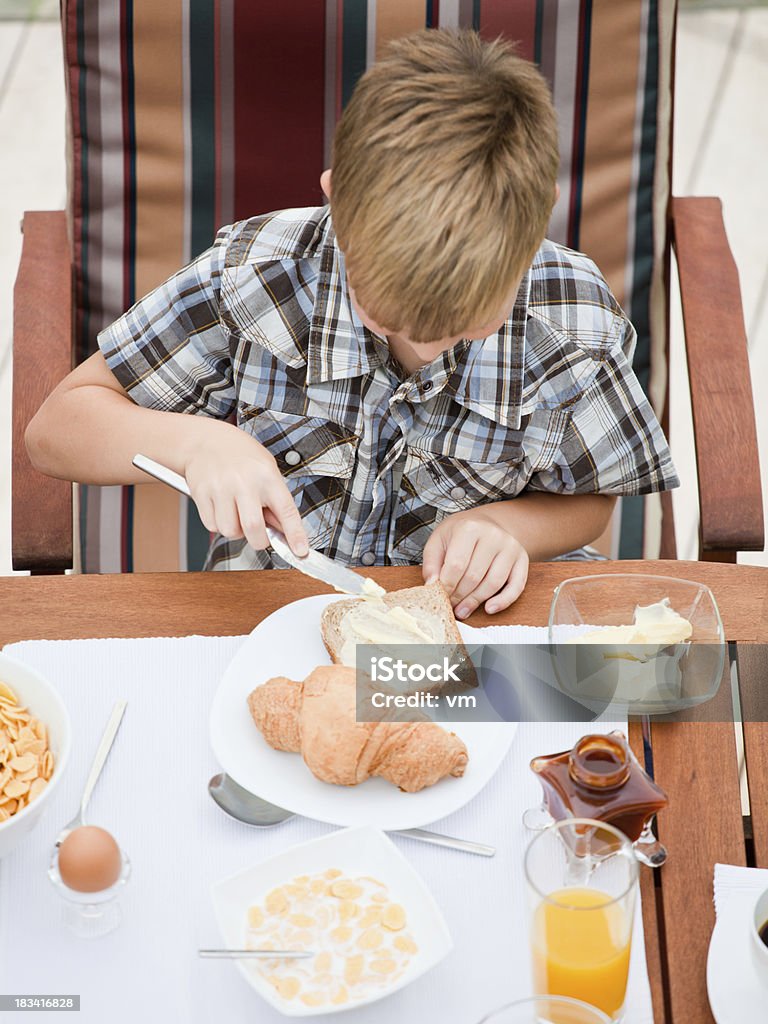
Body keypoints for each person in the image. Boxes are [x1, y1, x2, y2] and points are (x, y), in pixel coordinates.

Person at [26, 29, 678, 620]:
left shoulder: (576, 322)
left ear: (538, 228)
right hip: (270, 617)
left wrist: (512, 529)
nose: (425, 344)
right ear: (335, 201)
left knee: (580, 725)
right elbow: (55, 431)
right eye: (383, 310)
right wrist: (196, 446)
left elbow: (594, 499)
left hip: (482, 627)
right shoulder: (253, 279)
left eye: (470, 325)